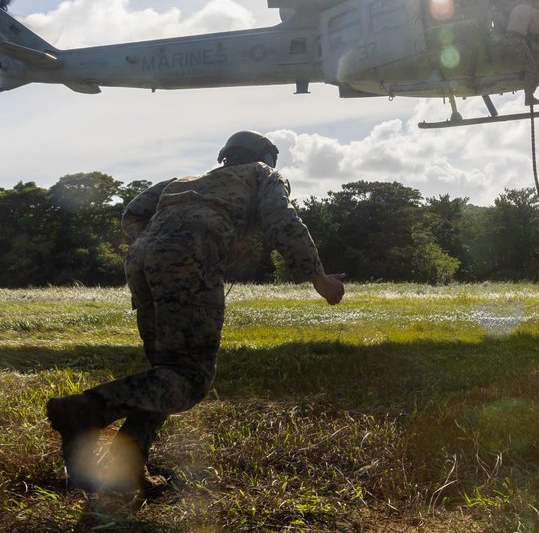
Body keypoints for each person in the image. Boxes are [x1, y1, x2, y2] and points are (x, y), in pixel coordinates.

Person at [46, 130, 345, 499]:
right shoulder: (262, 174)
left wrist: (160, 241)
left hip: (141, 258)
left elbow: (132, 213)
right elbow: (281, 219)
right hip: (190, 257)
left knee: (165, 373)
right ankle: (84, 410)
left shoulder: (182, 181)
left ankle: (126, 469)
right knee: (190, 376)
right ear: (266, 156)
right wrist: (317, 276)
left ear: (225, 155)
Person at [504, 0, 539, 105]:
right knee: (532, 68)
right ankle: (529, 97)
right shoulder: (534, 11)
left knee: (530, 57)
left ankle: (523, 73)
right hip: (517, 41)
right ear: (535, 2)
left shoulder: (517, 7)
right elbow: (534, 31)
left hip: (508, 38)